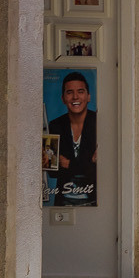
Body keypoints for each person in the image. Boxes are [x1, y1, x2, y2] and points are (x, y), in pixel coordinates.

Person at [43, 70, 97, 204]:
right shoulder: (55, 125)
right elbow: (52, 172)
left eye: (80, 91)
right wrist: (88, 162)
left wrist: (68, 164)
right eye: (69, 92)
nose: (75, 97)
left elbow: (101, 169)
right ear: (63, 98)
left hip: (94, 202)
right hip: (63, 201)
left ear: (88, 97)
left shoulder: (99, 123)